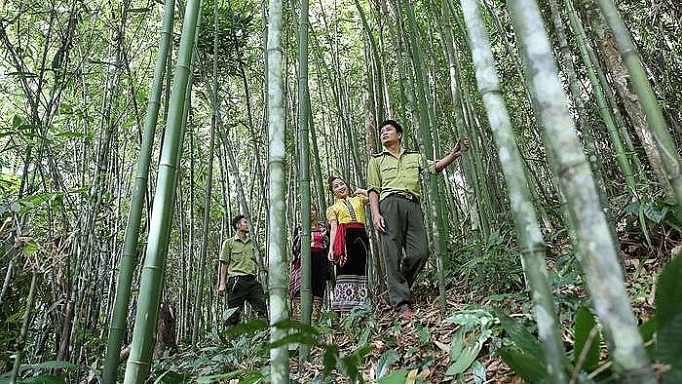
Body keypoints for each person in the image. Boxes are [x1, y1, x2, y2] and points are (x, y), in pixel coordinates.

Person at [366, 119, 469, 320]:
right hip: (389, 205)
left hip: (412, 204)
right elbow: (373, 190)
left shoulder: (414, 157)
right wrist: (375, 213)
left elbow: (434, 167)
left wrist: (453, 155)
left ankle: (397, 288)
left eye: (388, 130)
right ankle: (401, 305)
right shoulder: (376, 160)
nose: (384, 133)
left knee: (421, 252)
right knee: (392, 255)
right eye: (382, 132)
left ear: (399, 134)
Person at [326, 176, 370, 311]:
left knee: (361, 269)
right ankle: (345, 309)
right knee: (345, 269)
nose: (340, 187)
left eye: (342, 184)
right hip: (345, 239)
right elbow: (333, 227)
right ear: (333, 192)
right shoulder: (332, 208)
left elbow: (375, 198)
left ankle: (362, 306)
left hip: (361, 236)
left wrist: (361, 190)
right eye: (336, 186)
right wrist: (331, 249)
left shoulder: (359, 200)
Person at [218, 214, 268, 326]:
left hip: (252, 281)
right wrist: (222, 284)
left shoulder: (253, 243)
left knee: (262, 309)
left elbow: (258, 262)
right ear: (237, 225)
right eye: (245, 222)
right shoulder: (229, 243)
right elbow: (224, 264)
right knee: (233, 315)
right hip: (236, 281)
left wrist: (267, 269)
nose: (248, 225)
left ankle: (262, 339)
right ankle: (230, 342)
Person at [289, 204, 329, 322]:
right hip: (305, 259)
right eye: (308, 210)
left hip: (320, 259)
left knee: (318, 287)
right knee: (303, 287)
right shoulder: (300, 228)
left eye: (313, 210)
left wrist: (325, 236)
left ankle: (314, 319)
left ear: (316, 212)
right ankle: (299, 320)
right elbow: (295, 250)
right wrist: (301, 239)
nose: (311, 212)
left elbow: (328, 246)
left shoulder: (323, 227)